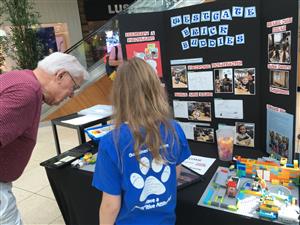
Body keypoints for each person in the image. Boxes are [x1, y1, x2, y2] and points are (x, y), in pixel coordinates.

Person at [92, 57, 191, 225]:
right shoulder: (174, 129)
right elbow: (176, 173)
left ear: (119, 95)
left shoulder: (112, 142)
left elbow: (110, 205)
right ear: (155, 89)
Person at [0, 52, 89, 225]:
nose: (71, 95)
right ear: (60, 75)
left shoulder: (19, 78)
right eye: (74, 86)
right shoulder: (27, 92)